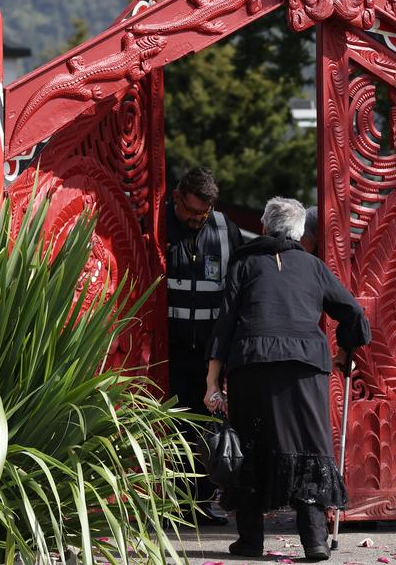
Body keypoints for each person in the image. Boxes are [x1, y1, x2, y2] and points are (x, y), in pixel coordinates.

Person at [204, 197, 370, 561]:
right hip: (305, 365)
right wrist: (344, 353)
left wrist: (212, 382)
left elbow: (225, 323)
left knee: (250, 446)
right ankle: (314, 542)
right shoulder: (313, 266)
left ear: (264, 227)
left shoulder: (244, 264)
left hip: (252, 362)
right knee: (308, 446)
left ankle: (250, 541)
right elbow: (353, 312)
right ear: (299, 233)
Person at [165, 166, 243, 526]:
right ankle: (170, 504)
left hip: (212, 353)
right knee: (171, 428)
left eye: (204, 214)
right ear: (177, 197)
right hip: (167, 350)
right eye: (192, 212)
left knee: (208, 428)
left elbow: (239, 288)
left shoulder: (226, 230)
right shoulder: (158, 224)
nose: (198, 219)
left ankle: (200, 503)